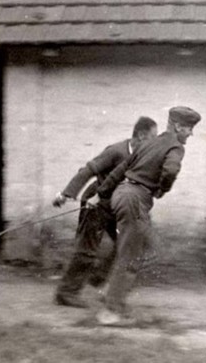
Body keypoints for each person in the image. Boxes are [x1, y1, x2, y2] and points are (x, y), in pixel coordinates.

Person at [88, 106, 201, 326]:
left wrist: (102, 194)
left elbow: (121, 169)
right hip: (135, 200)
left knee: (150, 248)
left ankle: (112, 293)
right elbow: (170, 171)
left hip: (121, 194)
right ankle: (111, 311)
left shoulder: (147, 143)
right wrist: (161, 189)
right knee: (132, 255)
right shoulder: (176, 147)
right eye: (189, 128)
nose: (190, 134)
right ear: (177, 126)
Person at [52, 117, 158, 308]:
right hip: (95, 203)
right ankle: (66, 293)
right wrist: (67, 194)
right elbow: (88, 170)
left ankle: (100, 280)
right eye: (153, 137)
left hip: (115, 206)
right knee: (87, 248)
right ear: (141, 136)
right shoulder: (116, 151)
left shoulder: (142, 157)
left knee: (125, 245)